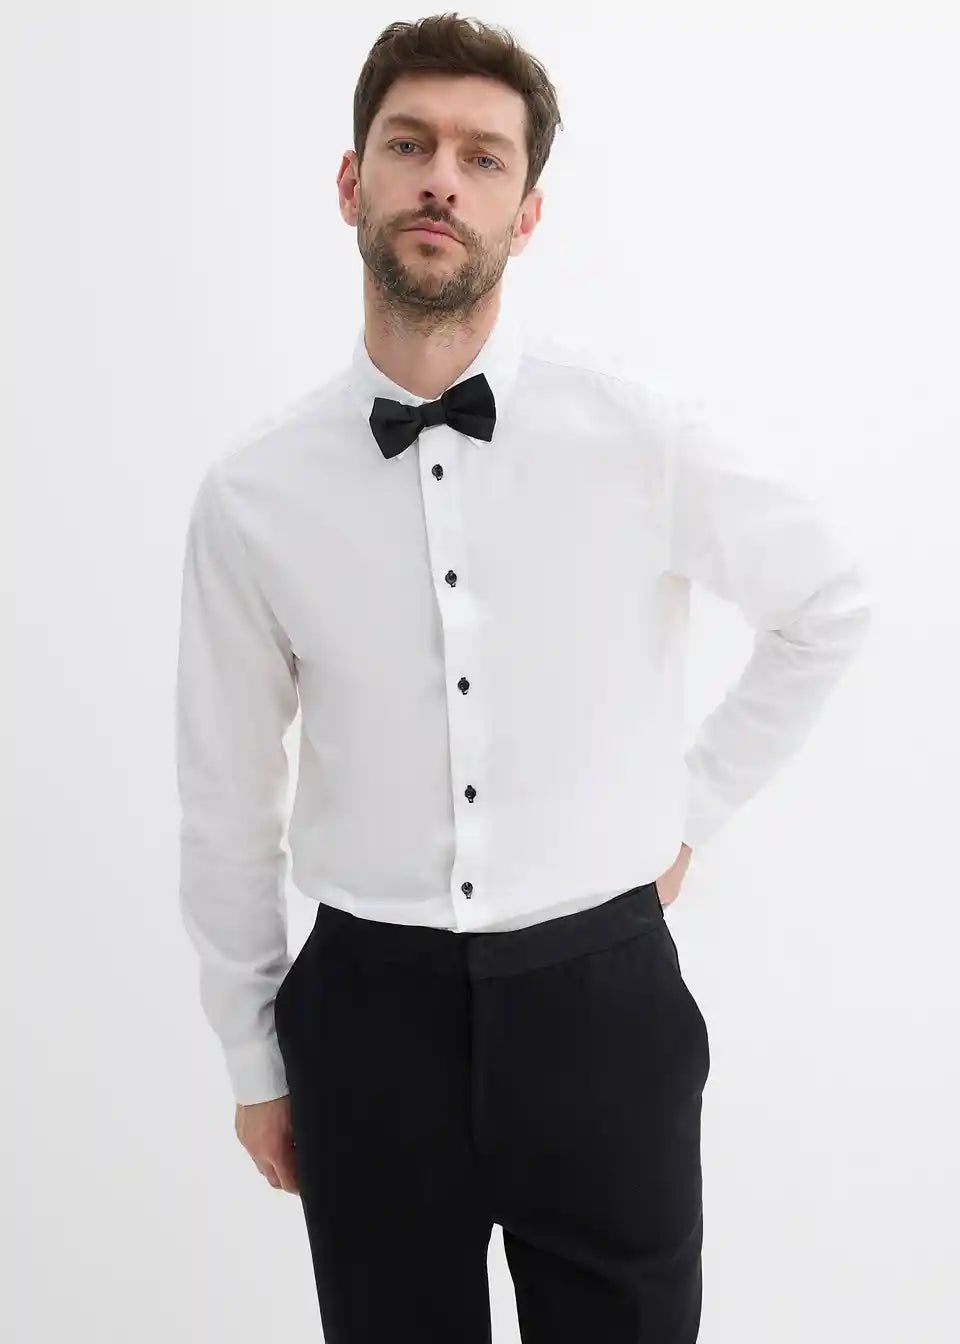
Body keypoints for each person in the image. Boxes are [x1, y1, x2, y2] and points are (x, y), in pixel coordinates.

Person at [175, 14, 874, 1342]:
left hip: (603, 1004)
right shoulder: (254, 494)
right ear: (351, 182)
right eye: (410, 144)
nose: (443, 178)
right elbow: (223, 799)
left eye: (483, 157)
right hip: (365, 1019)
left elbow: (827, 604)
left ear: (528, 212)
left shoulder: (640, 436)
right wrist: (253, 1055)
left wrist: (690, 814)